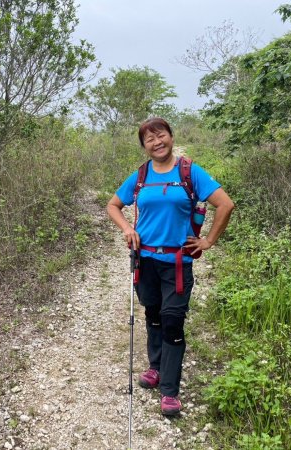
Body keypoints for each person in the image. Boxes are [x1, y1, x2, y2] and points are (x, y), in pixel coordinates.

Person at [106, 117, 234, 415]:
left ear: (171, 137)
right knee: (153, 314)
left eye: (160, 135)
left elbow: (225, 204)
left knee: (173, 320)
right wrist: (127, 229)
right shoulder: (140, 176)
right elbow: (113, 205)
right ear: (144, 146)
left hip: (178, 262)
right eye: (149, 139)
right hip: (145, 260)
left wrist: (208, 242)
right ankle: (156, 366)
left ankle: (169, 390)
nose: (156, 142)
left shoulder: (190, 172)